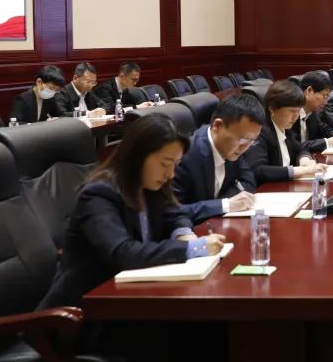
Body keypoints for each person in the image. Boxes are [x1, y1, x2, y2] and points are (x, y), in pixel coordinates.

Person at [40, 114, 226, 309]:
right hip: (85, 310)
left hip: (130, 296)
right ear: (138, 156)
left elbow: (176, 214)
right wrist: (192, 248)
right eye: (165, 164)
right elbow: (123, 253)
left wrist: (183, 233)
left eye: (175, 165)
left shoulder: (151, 185)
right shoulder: (99, 194)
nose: (170, 174)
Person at [172, 94, 262, 224]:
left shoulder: (234, 147)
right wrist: (224, 205)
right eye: (243, 140)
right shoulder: (184, 156)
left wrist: (229, 202)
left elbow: (248, 181)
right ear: (218, 125)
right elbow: (172, 212)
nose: (245, 147)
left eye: (251, 141)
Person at [243, 81, 332, 185]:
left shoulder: (285, 127)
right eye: (292, 111)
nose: (296, 116)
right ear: (272, 109)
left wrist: (304, 160)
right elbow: (258, 170)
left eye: (298, 111)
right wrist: (302, 171)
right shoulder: (260, 132)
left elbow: (299, 148)